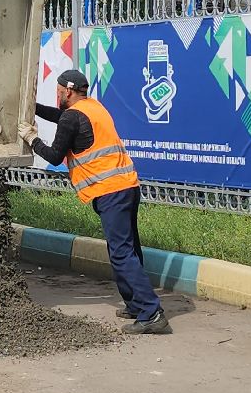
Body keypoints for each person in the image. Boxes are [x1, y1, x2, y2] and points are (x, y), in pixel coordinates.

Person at [21, 69, 169, 334]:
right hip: (127, 187)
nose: (56, 95)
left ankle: (151, 313)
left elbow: (55, 156)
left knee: (122, 253)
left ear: (67, 91)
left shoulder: (72, 117)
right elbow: (63, 118)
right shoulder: (92, 107)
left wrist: (32, 139)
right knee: (127, 249)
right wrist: (33, 109)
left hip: (110, 191)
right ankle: (135, 305)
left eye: (57, 91)